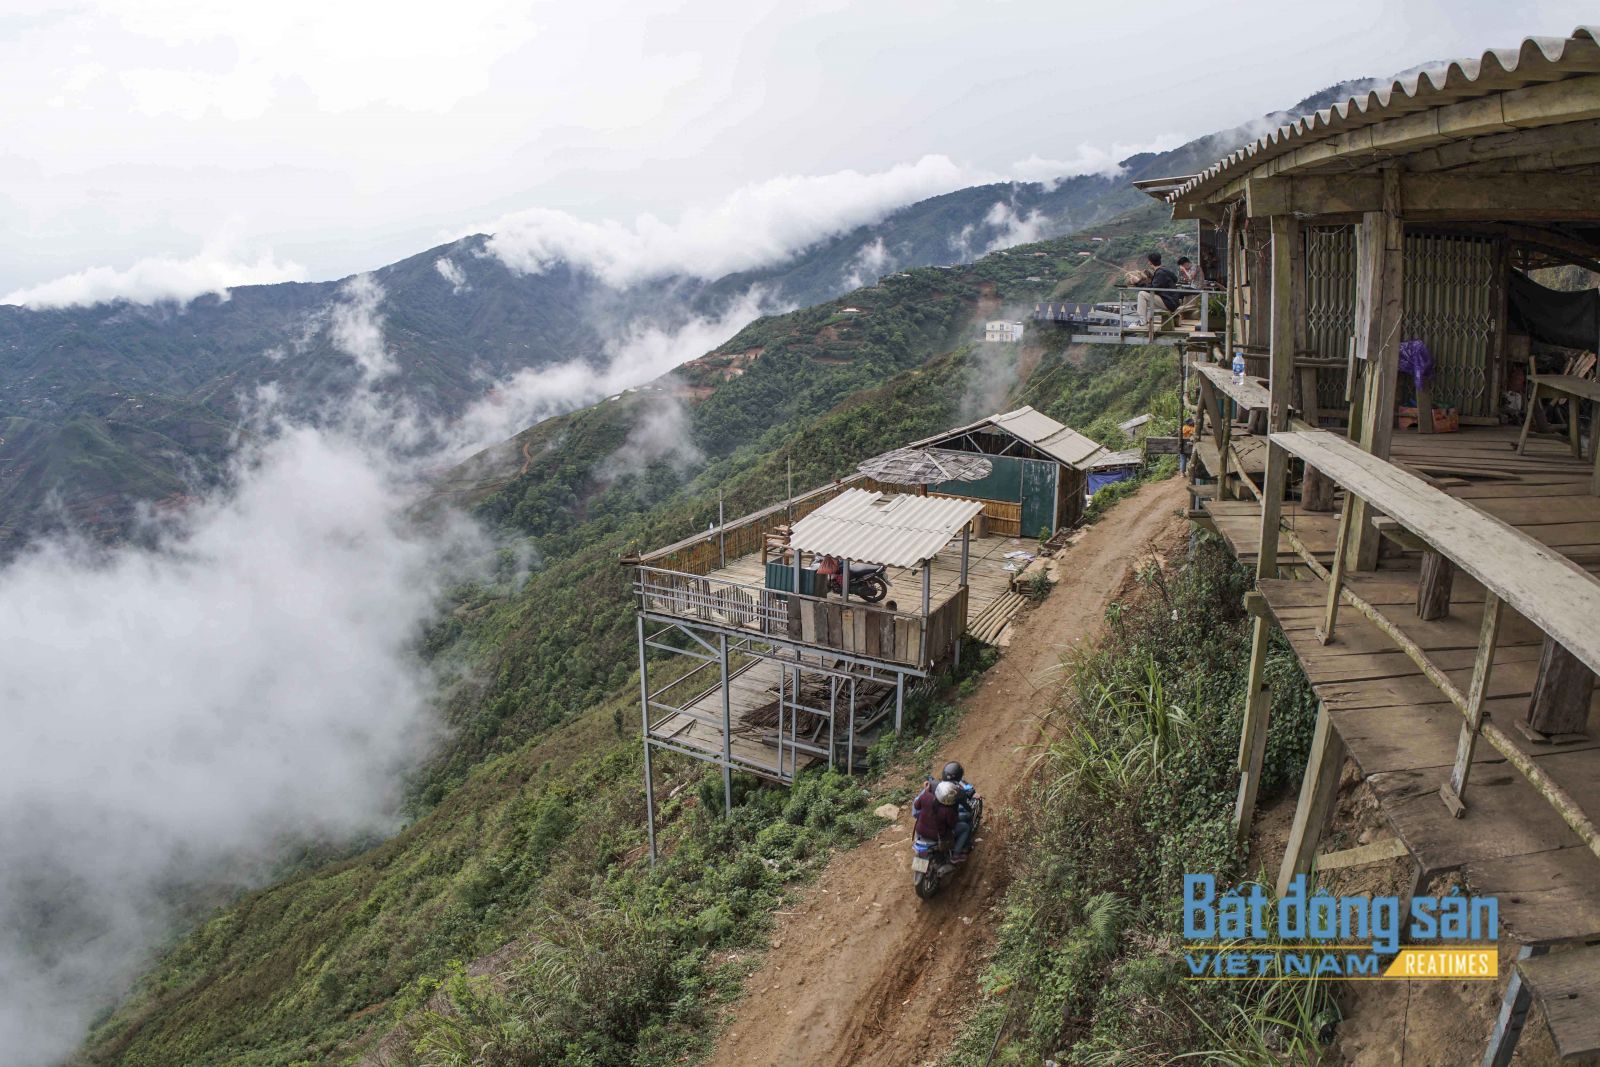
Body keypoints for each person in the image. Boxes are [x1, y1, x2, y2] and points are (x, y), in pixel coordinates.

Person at [940, 761, 978, 862]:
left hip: (927, 826)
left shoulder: (932, 788)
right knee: (966, 822)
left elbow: (916, 810)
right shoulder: (957, 792)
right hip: (943, 826)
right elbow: (968, 807)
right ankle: (961, 850)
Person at [912, 778, 961, 851]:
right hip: (936, 836)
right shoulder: (947, 810)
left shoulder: (925, 796)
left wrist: (926, 791)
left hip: (919, 831)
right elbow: (952, 824)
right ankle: (956, 855)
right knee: (965, 828)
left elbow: (916, 806)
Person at [1132, 252, 1181, 325]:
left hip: (1169, 303)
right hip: (1171, 301)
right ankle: (1145, 319)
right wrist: (1139, 283)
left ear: (1150, 262)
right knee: (1145, 300)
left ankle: (1142, 321)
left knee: (1142, 294)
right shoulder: (1165, 271)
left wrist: (1138, 282)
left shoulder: (1160, 273)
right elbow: (1155, 286)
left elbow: (1153, 289)